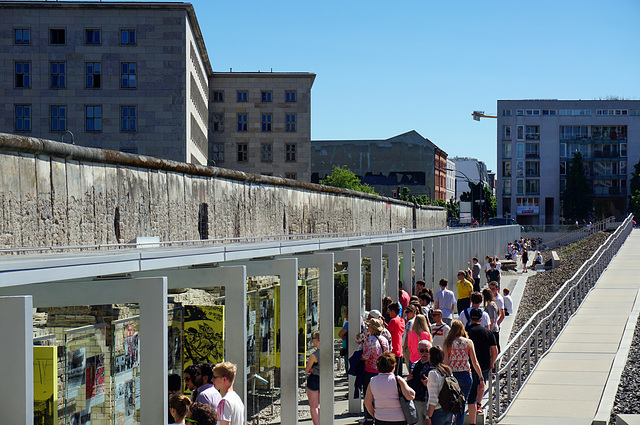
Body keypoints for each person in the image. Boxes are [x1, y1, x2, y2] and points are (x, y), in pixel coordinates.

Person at [443, 321, 483, 425]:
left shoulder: (448, 343)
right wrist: (481, 377)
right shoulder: (468, 342)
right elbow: (474, 362)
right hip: (465, 375)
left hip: (453, 376)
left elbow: (446, 362)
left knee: (452, 403)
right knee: (462, 404)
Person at [364, 352, 416, 425]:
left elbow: (367, 403)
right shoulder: (398, 380)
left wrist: (375, 414)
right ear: (393, 367)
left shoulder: (373, 381)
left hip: (380, 418)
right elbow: (410, 396)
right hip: (399, 418)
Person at [465, 309, 498, 425]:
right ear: (480, 319)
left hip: (468, 364)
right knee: (481, 384)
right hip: (484, 364)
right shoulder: (487, 332)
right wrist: (492, 363)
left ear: (470, 319)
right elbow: (495, 350)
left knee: (470, 388)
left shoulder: (466, 331)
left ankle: (470, 404)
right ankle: (478, 404)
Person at [362, 317, 390, 424]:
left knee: (368, 395)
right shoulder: (384, 339)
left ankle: (369, 417)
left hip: (370, 370)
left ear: (372, 328)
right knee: (381, 394)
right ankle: (380, 415)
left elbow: (366, 356)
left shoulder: (369, 340)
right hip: (382, 370)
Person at [425, 346, 454, 425]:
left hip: (438, 411)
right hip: (449, 410)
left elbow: (433, 398)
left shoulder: (433, 373)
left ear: (430, 357)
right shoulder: (448, 370)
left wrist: (428, 417)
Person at [407, 339, 433, 424]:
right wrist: (409, 379)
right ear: (418, 351)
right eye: (421, 351)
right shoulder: (414, 365)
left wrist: (429, 383)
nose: (424, 353)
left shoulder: (434, 366)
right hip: (417, 401)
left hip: (429, 402)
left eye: (427, 350)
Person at [302, 331, 320, 425]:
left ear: (317, 340)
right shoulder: (327, 352)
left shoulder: (314, 355)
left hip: (314, 380)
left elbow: (307, 369)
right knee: (319, 405)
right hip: (323, 379)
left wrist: (312, 370)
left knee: (314, 406)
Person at [387, 303, 406, 376]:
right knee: (398, 375)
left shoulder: (393, 321)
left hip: (393, 350)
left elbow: (387, 332)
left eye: (389, 311)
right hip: (399, 350)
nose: (389, 313)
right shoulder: (401, 320)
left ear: (393, 311)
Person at [488, 282, 505, 352]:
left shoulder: (499, 299)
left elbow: (502, 315)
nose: (491, 290)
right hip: (490, 324)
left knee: (495, 344)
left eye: (493, 289)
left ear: (497, 289)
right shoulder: (491, 298)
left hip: (495, 325)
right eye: (490, 289)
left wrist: (496, 325)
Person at [401, 304, 417, 371]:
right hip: (413, 345)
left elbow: (408, 334)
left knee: (408, 364)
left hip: (407, 345)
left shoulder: (410, 322)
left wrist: (405, 345)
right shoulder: (416, 320)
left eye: (408, 312)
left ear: (413, 312)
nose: (406, 314)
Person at [338, 309, 349, 373]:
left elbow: (340, 334)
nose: (344, 317)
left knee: (347, 365)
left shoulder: (347, 324)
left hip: (347, 347)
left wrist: (343, 336)